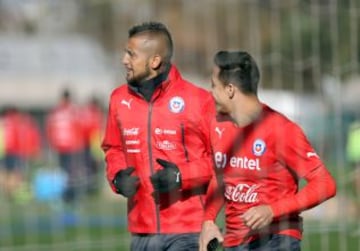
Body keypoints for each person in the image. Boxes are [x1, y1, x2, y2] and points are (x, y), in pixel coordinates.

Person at [199, 50, 337, 251]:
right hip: (234, 241)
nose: (210, 92)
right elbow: (220, 177)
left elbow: (326, 184)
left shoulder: (281, 130)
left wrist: (272, 210)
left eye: (213, 85)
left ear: (230, 89)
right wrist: (208, 221)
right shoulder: (218, 126)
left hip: (277, 239)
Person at [101, 21, 216, 251]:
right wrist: (116, 176)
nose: (124, 60)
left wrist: (182, 176)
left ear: (154, 61)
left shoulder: (200, 100)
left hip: (189, 229)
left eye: (131, 55)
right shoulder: (118, 99)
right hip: (141, 230)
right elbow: (113, 148)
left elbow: (221, 162)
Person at [46, 89, 86, 204]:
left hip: (66, 147)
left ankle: (69, 194)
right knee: (69, 172)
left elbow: (50, 129)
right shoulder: (73, 111)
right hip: (68, 147)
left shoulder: (57, 112)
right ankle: (68, 195)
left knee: (67, 172)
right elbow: (79, 128)